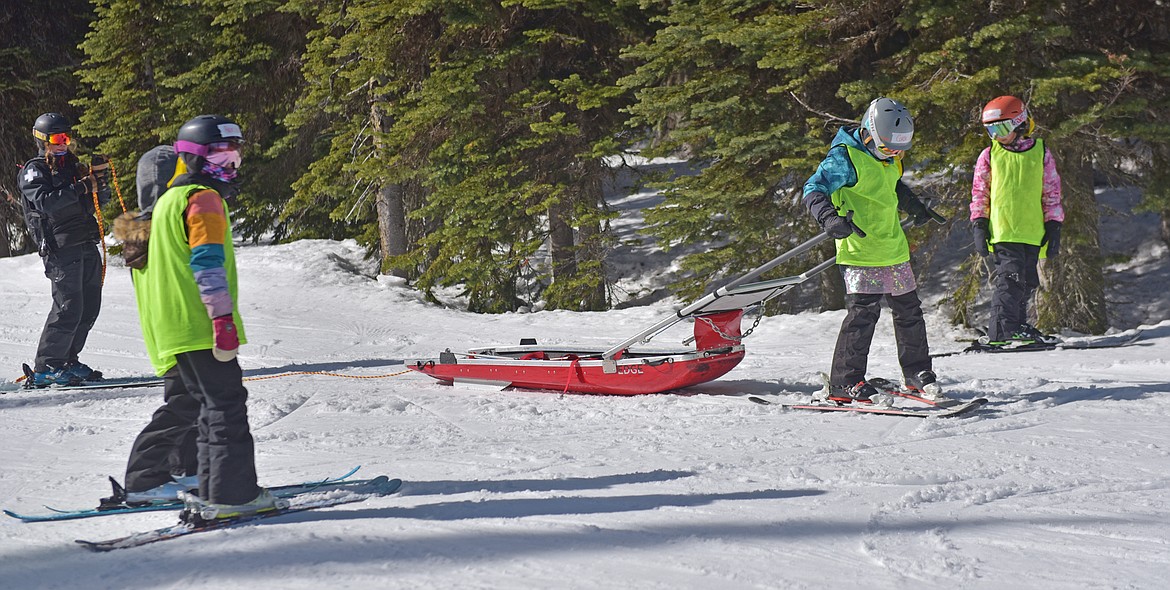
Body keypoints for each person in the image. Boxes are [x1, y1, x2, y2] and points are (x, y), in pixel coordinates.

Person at [119, 115, 276, 520]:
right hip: (200, 326)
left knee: (202, 404)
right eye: (222, 155)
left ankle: (196, 483)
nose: (231, 166)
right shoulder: (202, 198)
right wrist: (222, 321)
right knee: (225, 404)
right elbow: (207, 263)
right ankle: (231, 495)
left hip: (177, 329)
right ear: (194, 158)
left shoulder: (169, 201)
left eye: (235, 156)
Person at [801, 97, 939, 403]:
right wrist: (828, 218)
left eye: (900, 150)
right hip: (860, 249)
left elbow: (891, 186)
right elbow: (813, 190)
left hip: (892, 247)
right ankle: (845, 382)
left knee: (910, 313)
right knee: (863, 315)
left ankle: (917, 373)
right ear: (869, 134)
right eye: (889, 149)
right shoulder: (845, 158)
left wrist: (913, 205)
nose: (894, 155)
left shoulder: (889, 158)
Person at [16, 113, 110, 387]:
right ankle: (48, 366)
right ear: (43, 140)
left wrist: (99, 182)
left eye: (66, 138)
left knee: (89, 306)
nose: (63, 144)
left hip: (84, 240)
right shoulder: (34, 170)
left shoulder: (72, 167)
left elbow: (93, 203)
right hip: (60, 246)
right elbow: (45, 202)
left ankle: (67, 359)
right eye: (57, 139)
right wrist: (82, 186)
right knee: (68, 306)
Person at [970, 96, 1064, 345]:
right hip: (1003, 231)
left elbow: (1051, 191)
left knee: (1028, 281)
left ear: (1019, 123)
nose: (996, 135)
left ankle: (1017, 326)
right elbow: (980, 192)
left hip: (1032, 231)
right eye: (990, 130)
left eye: (1000, 128)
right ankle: (1000, 331)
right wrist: (979, 223)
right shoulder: (990, 154)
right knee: (1009, 280)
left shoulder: (1041, 152)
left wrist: (1054, 225)